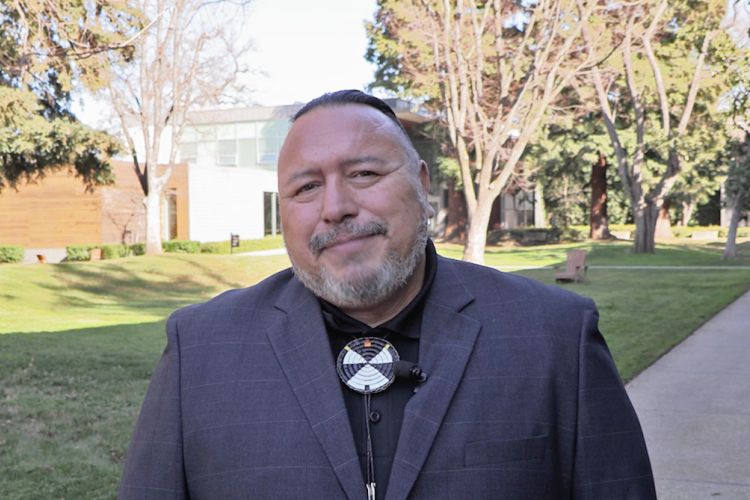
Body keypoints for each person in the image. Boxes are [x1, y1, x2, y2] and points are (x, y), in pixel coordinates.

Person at [119, 90, 656, 500]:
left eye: (364, 173)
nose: (335, 207)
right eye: (306, 187)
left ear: (422, 187)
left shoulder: (555, 338)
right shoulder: (200, 351)